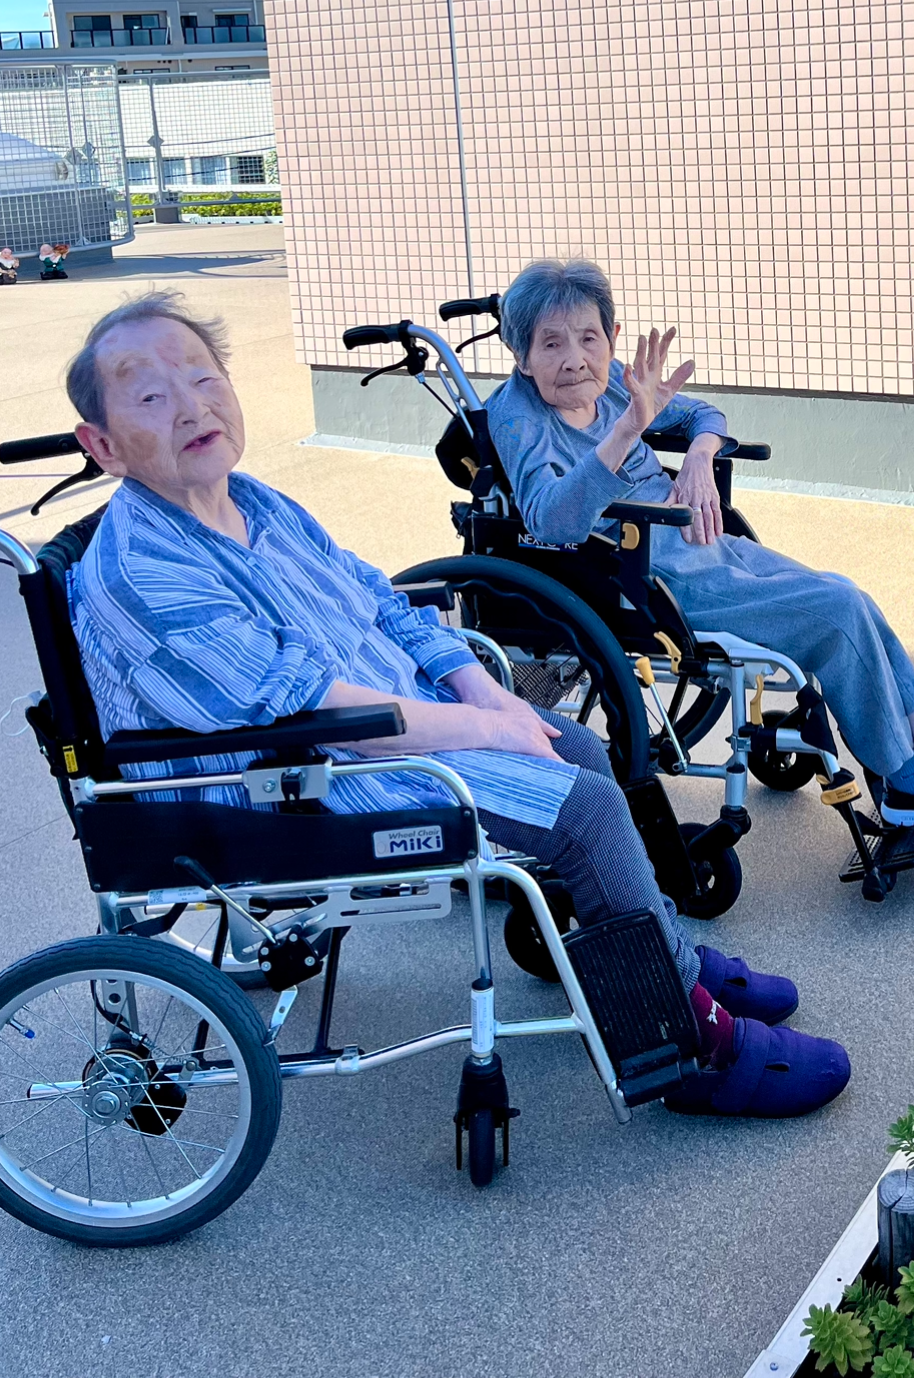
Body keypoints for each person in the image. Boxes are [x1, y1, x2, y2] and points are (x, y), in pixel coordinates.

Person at [64, 292, 848, 1120]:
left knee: (575, 749)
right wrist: (487, 725)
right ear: (102, 445)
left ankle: (661, 958)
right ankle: (690, 1046)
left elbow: (382, 601)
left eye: (202, 378)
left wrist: (487, 692)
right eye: (150, 396)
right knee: (583, 808)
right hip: (290, 781)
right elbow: (310, 708)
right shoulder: (144, 570)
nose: (192, 408)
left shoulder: (253, 502)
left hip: (363, 733)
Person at [488, 260, 914, 879]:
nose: (574, 359)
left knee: (850, 597)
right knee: (837, 611)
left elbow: (703, 415)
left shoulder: (616, 381)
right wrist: (626, 432)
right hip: (646, 576)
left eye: (588, 338)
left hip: (705, 544)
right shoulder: (517, 417)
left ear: (612, 338)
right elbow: (553, 522)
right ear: (522, 356)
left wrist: (698, 457)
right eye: (551, 344)